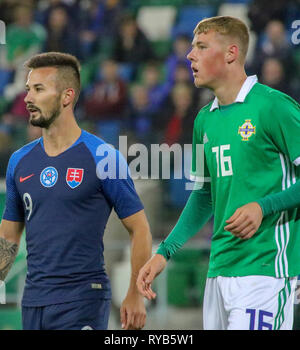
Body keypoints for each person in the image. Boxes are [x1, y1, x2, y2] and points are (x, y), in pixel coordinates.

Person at [137, 16, 300, 330]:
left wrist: (263, 206)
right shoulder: (203, 121)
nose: (189, 55)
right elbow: (204, 196)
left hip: (265, 270)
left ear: (231, 53)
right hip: (219, 270)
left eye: (201, 46)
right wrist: (164, 253)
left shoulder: (273, 107)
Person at [0, 52, 152, 330]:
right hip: (33, 301)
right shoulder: (19, 161)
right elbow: (8, 237)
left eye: (38, 89)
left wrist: (134, 294)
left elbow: (140, 228)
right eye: (27, 89)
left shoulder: (103, 157)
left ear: (67, 96)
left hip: (82, 299)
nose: (27, 98)